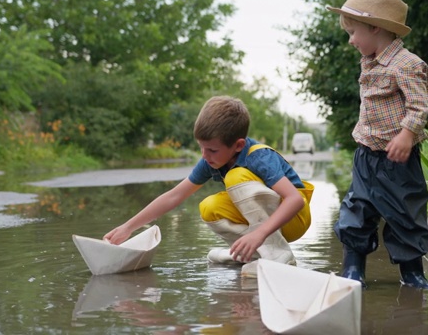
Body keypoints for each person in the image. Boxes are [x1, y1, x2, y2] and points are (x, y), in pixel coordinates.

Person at [103, 95, 314, 277]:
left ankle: (278, 255)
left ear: (238, 145)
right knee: (209, 207)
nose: (205, 156)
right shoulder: (211, 160)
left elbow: (294, 200)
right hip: (271, 223)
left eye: (212, 150)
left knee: (235, 176)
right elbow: (174, 196)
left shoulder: (259, 157)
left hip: (295, 218)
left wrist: (259, 234)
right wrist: (127, 228)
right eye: (201, 148)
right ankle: (250, 255)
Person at [326, 0, 428, 289]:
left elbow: (418, 104)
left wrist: (406, 133)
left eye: (353, 32)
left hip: (397, 159)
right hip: (366, 156)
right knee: (356, 209)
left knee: (406, 214)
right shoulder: (369, 61)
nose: (350, 40)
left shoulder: (407, 65)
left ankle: (412, 274)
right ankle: (353, 270)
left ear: (375, 28)